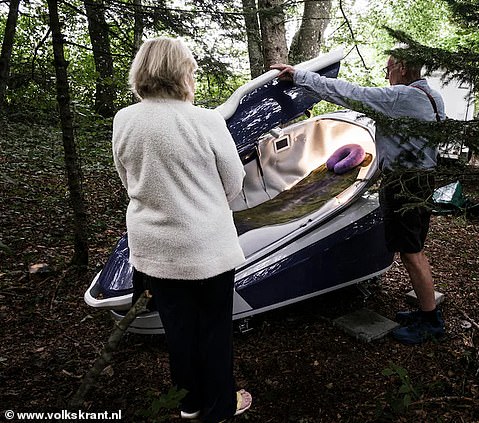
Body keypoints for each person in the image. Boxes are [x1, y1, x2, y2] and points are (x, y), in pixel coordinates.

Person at [112, 37, 252, 421]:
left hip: (153, 247)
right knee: (214, 331)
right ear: (182, 72)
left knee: (178, 331)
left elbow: (128, 180)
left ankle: (189, 404)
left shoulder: (124, 119)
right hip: (204, 244)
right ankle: (220, 407)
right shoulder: (206, 120)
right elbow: (235, 181)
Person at [271, 49, 446, 345]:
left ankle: (431, 320)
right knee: (414, 248)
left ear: (402, 69)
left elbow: (349, 93)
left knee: (410, 253)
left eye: (388, 68)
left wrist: (300, 76)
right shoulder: (432, 96)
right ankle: (426, 310)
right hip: (421, 181)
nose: (387, 75)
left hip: (405, 185)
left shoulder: (402, 97)